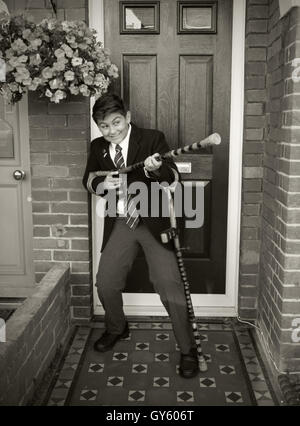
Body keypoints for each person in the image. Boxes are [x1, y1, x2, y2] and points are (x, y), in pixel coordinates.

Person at [82, 93, 198, 378]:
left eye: (116, 122)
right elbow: (88, 179)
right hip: (122, 222)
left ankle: (187, 349)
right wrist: (101, 183)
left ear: (128, 117)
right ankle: (117, 327)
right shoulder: (98, 147)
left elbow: (173, 177)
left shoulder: (152, 139)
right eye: (104, 125)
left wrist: (158, 170)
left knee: (168, 284)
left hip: (154, 223)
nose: (111, 131)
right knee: (105, 282)